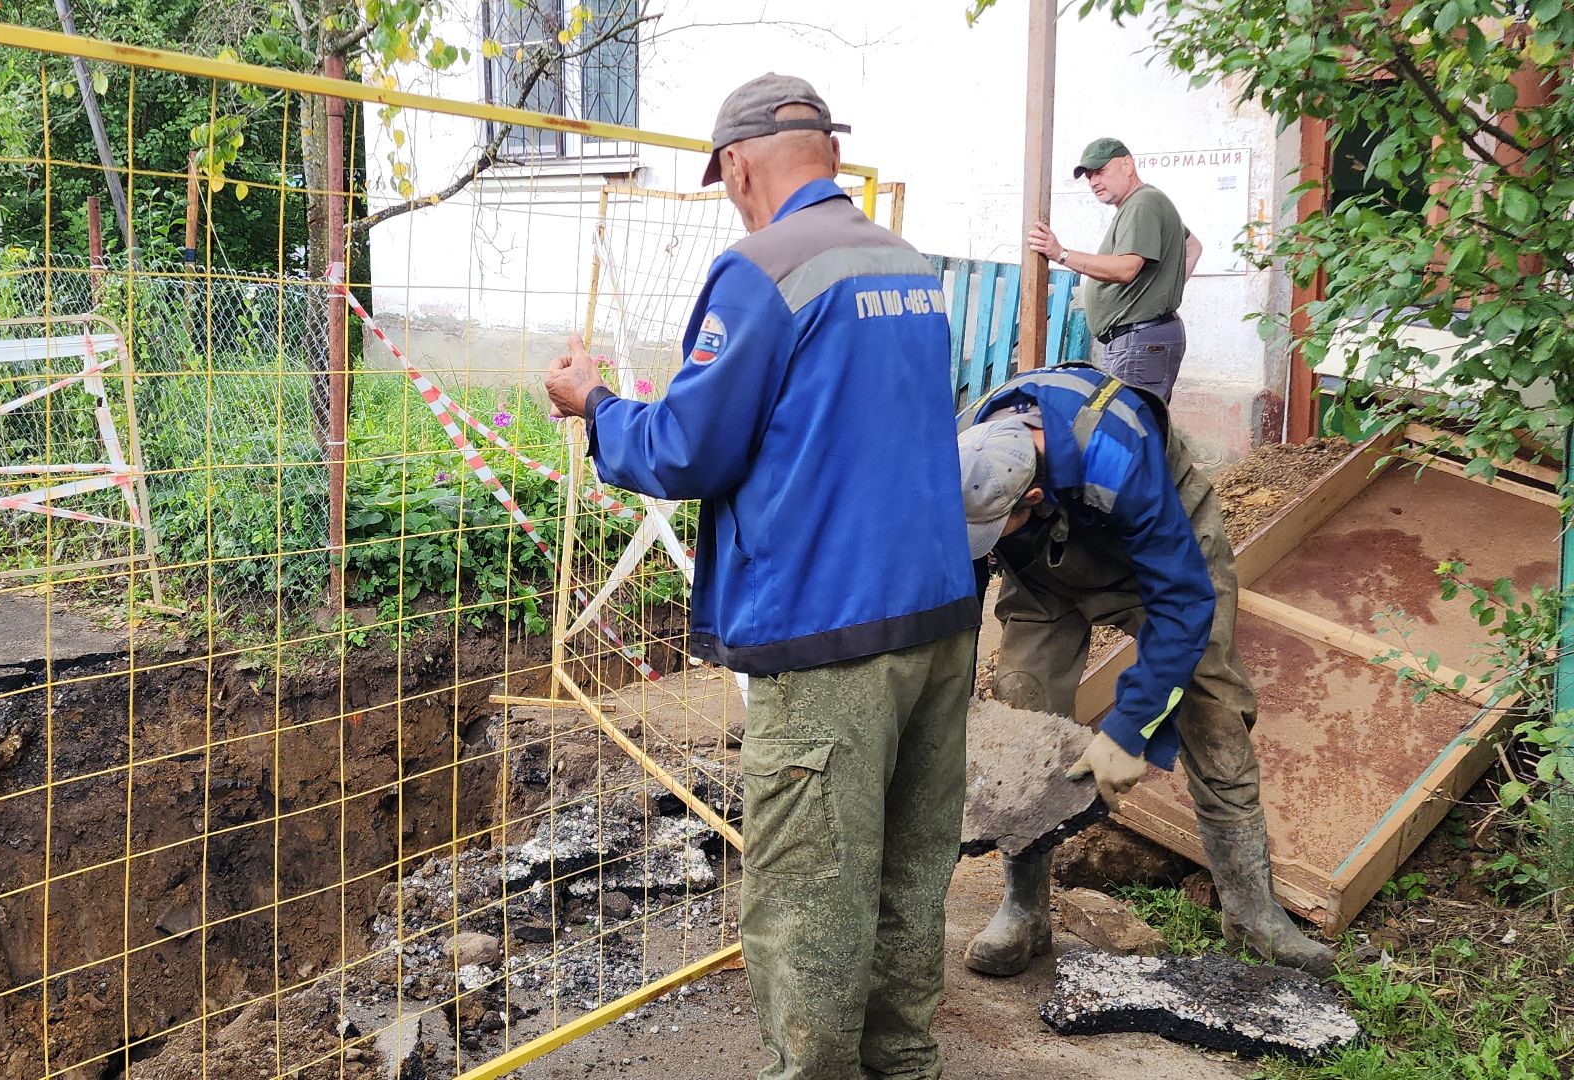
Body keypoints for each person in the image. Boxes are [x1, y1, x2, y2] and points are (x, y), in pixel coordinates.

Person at [545, 73, 979, 1079]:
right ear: (828, 151)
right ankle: (904, 1066)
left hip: (830, 641)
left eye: (725, 180)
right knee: (908, 882)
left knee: (809, 904)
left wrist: (595, 405)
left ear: (739, 163)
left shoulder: (762, 270)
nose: (731, 197)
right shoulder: (905, 264)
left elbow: (686, 452)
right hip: (937, 622)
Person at [953, 365, 1335, 979]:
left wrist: (1132, 728)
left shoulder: (1117, 452)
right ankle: (1025, 909)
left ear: (1029, 496)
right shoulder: (965, 452)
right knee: (1020, 697)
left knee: (1210, 705)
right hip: (1046, 558)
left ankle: (1255, 918)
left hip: (1163, 537)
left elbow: (1181, 602)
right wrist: (952, 705)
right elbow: (955, 594)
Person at [1026, 137, 1202, 402]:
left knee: (1127, 431)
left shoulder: (1142, 204)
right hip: (1141, 339)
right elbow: (1193, 247)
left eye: (1100, 171)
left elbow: (1126, 269)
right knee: (1136, 428)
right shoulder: (1144, 202)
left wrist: (1059, 254)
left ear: (1127, 165)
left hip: (1138, 341)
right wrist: (1158, 293)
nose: (1094, 181)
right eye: (1088, 176)